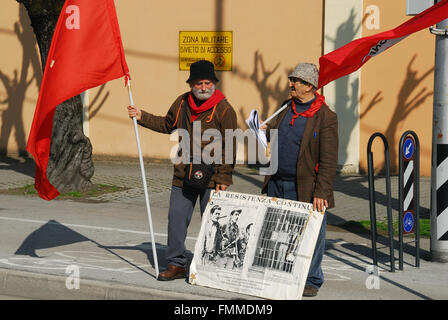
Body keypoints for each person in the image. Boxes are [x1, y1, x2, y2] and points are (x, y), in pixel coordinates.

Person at [127, 60, 238, 281]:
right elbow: (168, 124)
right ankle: (176, 264)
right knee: (176, 218)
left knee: (214, 224)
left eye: (208, 83)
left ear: (214, 83)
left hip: (213, 177)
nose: (204, 87)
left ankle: (212, 266)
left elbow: (231, 145)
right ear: (191, 85)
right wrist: (142, 116)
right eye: (199, 83)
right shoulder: (181, 103)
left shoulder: (224, 109)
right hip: (183, 174)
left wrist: (224, 176)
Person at [261, 63, 338, 297]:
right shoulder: (285, 107)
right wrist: (261, 128)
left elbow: (328, 159)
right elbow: (273, 132)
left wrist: (321, 192)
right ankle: (280, 274)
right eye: (291, 79)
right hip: (277, 181)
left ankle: (312, 279)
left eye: (297, 81)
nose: (291, 84)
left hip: (306, 186)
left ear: (310, 86)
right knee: (277, 231)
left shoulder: (326, 117)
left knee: (311, 234)